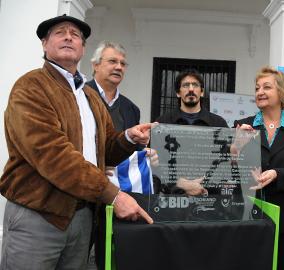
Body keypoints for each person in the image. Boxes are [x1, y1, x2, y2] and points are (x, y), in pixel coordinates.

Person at [0, 14, 153, 270]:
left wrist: (128, 138)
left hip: (82, 217)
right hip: (38, 215)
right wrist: (114, 196)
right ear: (44, 44)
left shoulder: (90, 96)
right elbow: (53, 156)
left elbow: (104, 150)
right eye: (60, 32)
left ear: (83, 48)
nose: (69, 36)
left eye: (76, 35)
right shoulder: (30, 87)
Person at [233, 66, 284, 270]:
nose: (260, 91)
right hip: (248, 216)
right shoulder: (242, 126)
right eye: (257, 87)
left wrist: (277, 174)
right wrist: (235, 149)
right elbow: (229, 172)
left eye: (266, 87)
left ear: (281, 92)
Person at [87, 41, 148, 270]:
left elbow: (130, 149)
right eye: (112, 61)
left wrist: (145, 154)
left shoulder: (131, 109)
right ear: (95, 65)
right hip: (84, 197)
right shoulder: (81, 96)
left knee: (111, 257)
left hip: (118, 200)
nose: (119, 67)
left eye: (123, 63)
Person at [156, 69, 229, 195]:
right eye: (185, 85)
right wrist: (180, 184)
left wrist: (202, 184)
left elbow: (224, 161)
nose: (191, 89)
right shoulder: (163, 123)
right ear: (178, 93)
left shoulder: (218, 124)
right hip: (172, 199)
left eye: (195, 85)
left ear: (201, 92)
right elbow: (156, 163)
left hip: (209, 197)